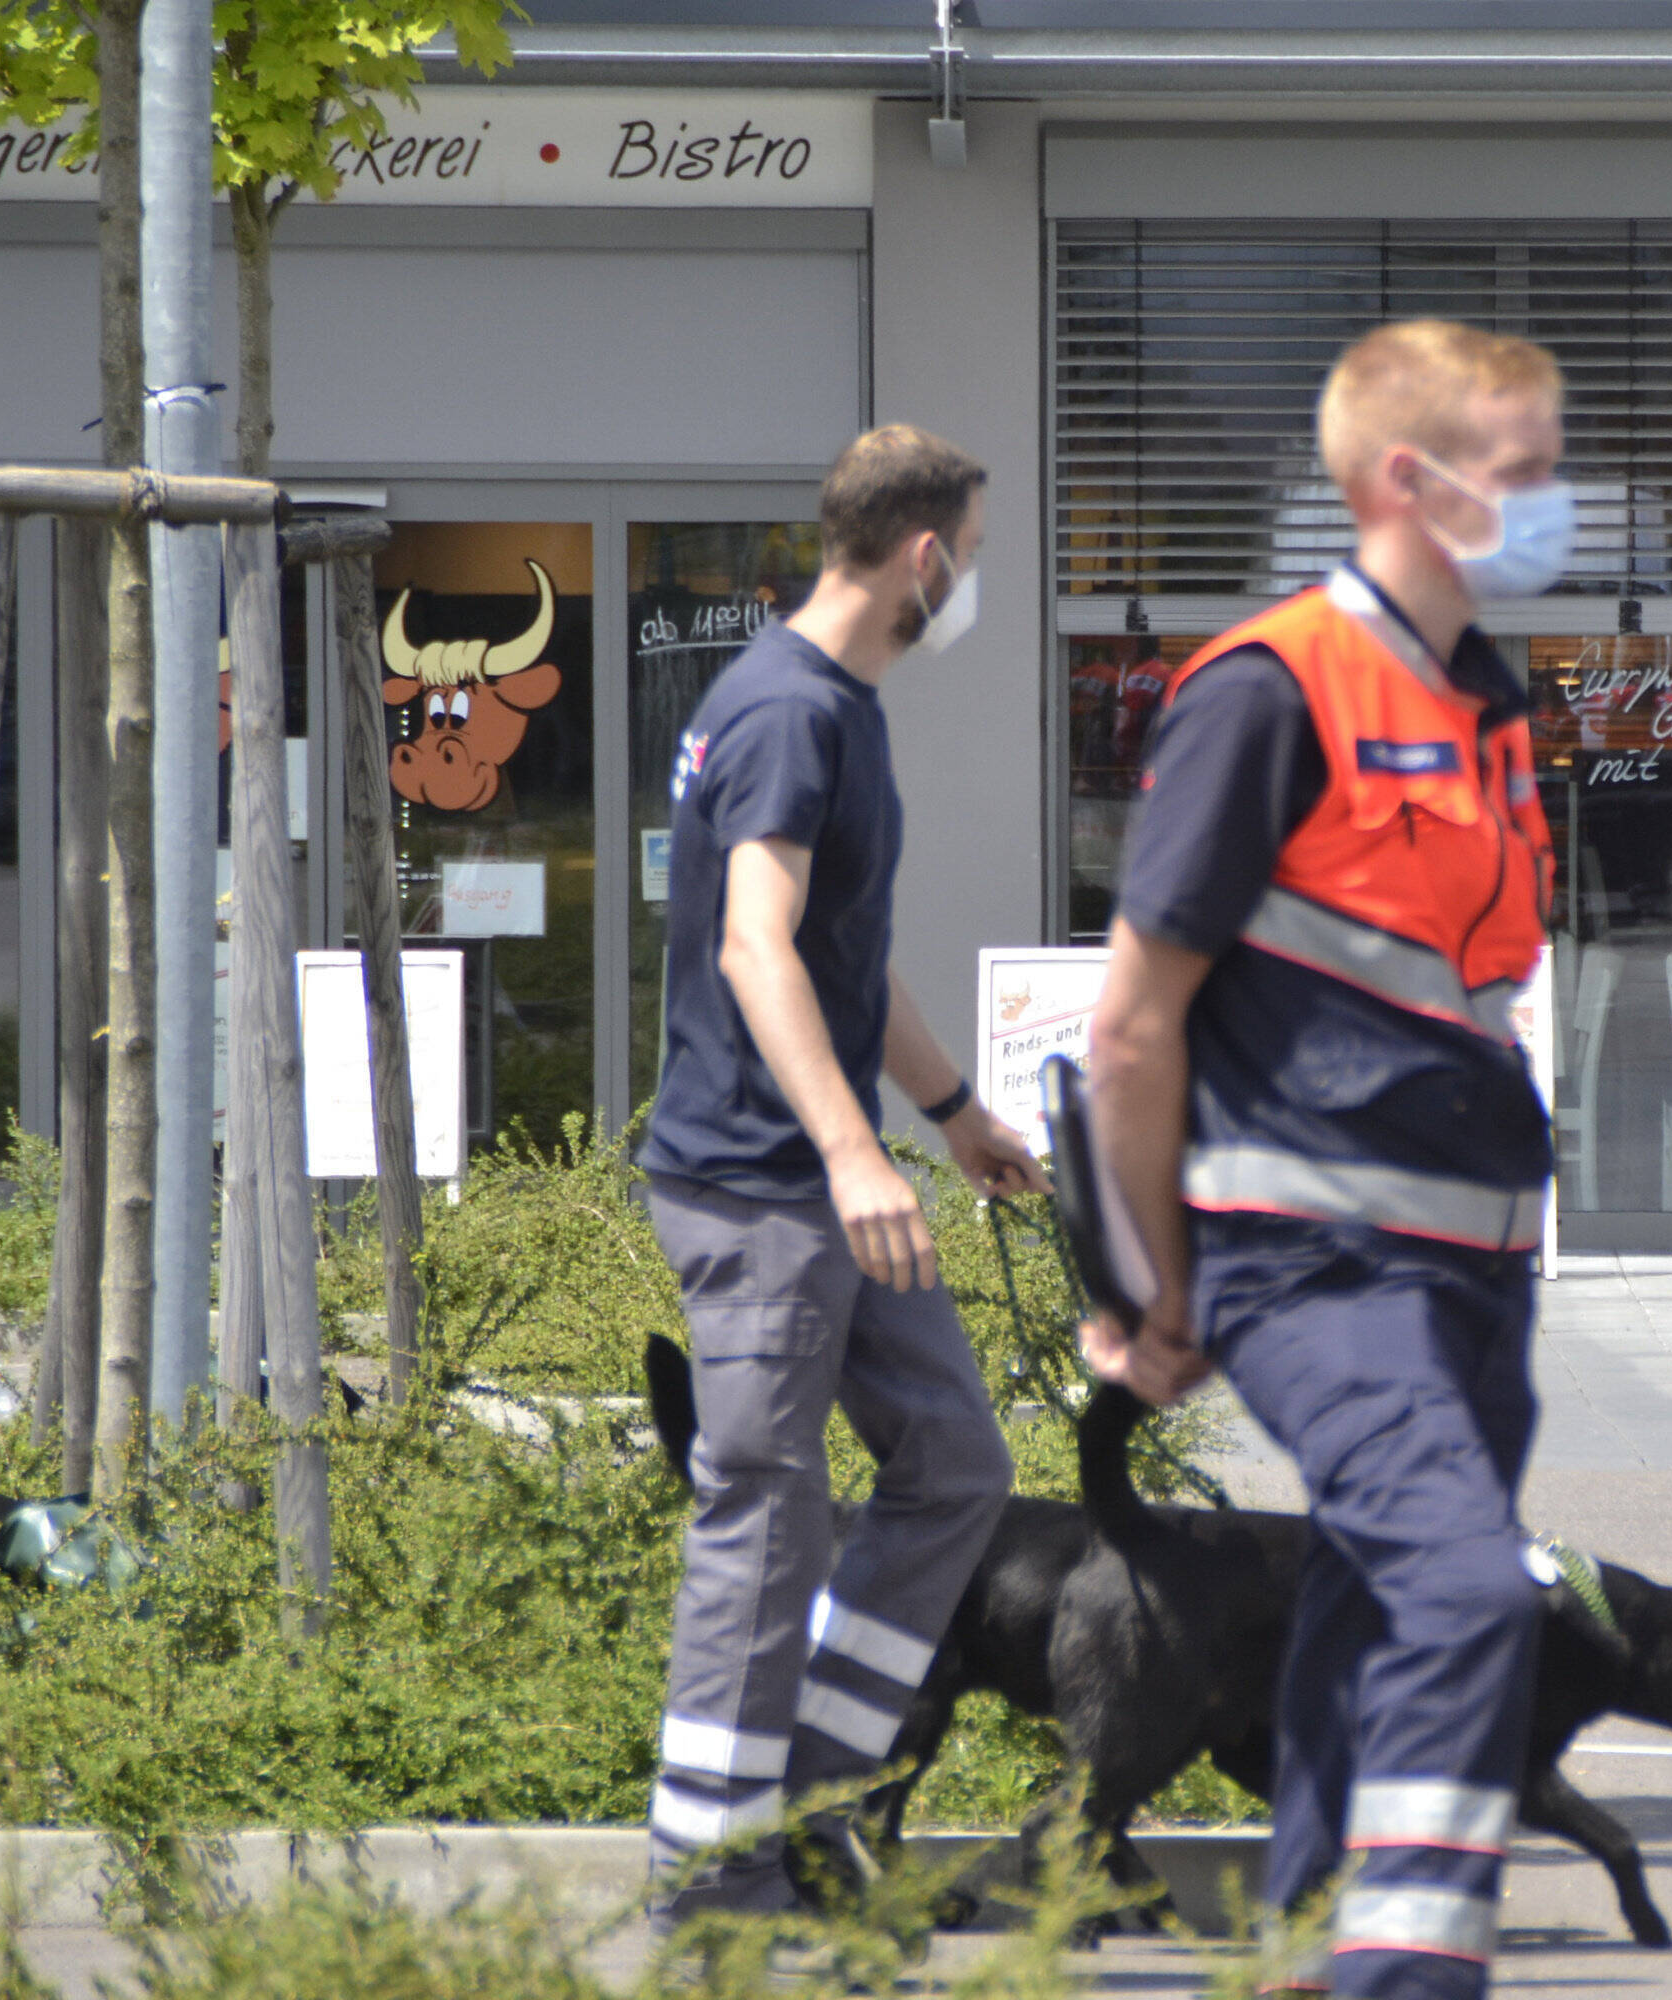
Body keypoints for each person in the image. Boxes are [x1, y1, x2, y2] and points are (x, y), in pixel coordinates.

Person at [1078, 318, 1568, 2000]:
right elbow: (1132, 1029)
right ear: (1404, 482)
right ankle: (1400, 1977)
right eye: (1529, 471)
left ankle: (1298, 1949)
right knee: (1465, 1595)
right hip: (1318, 1258)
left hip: (1471, 1271)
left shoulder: (1488, 711)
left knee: (1371, 1611)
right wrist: (1148, 1287)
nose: (1559, 502)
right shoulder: (1272, 690)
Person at [635, 424, 1047, 1923]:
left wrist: (947, 1111)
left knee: (954, 1463)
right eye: (977, 558)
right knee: (764, 1515)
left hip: (818, 1183)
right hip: (761, 1192)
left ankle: (813, 1796)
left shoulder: (838, 705)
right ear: (924, 556)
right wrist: (850, 1148)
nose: (974, 584)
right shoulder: (791, 716)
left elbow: (838, 958)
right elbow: (755, 944)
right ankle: (705, 1875)